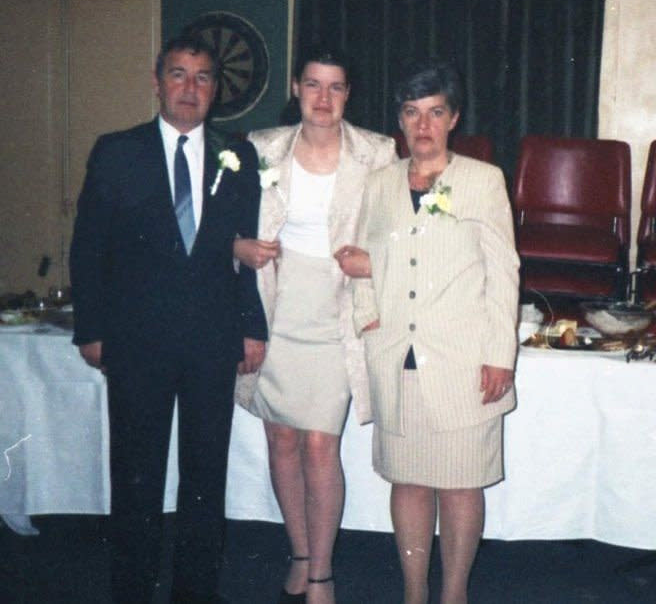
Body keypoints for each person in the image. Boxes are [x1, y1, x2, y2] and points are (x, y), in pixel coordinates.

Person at [69, 34, 267, 604]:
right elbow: (89, 248)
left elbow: (244, 250)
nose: (190, 88)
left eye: (202, 77)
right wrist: (92, 329)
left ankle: (195, 592)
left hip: (210, 340)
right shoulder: (116, 151)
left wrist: (251, 325)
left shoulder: (240, 157)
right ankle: (130, 591)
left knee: (206, 481)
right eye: (178, 75)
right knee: (137, 479)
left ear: (215, 90)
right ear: (157, 83)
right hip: (136, 342)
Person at [350, 60, 519, 604]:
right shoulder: (377, 185)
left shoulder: (483, 180)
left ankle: (454, 595)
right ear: (400, 121)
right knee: (410, 481)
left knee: (462, 483)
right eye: (411, 113)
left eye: (435, 113)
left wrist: (501, 355)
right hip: (399, 358)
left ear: (453, 119)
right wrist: (367, 318)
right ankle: (413, 593)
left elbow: (503, 272)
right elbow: (358, 258)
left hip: (466, 361)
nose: (422, 126)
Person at [233, 46, 396, 604]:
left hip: (337, 307)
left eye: (335, 87)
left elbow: (400, 230)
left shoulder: (377, 152)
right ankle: (299, 553)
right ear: (296, 89)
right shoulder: (261, 147)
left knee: (321, 445)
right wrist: (240, 246)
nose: (323, 98)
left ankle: (323, 572)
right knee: (280, 437)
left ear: (348, 94)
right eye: (312, 85)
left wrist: (372, 260)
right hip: (275, 301)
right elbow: (227, 223)